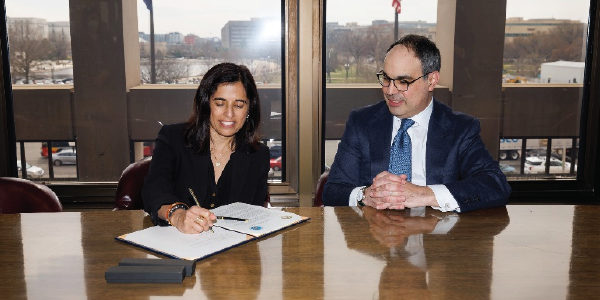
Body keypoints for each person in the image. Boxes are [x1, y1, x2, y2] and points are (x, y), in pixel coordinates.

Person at [323, 35, 511, 213]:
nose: (390, 90)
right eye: (386, 79)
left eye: (403, 81)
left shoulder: (460, 128)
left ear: (431, 80)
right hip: (375, 238)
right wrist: (365, 195)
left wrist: (425, 194)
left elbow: (495, 185)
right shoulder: (362, 122)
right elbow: (332, 191)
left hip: (437, 240)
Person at [142, 62, 270, 234]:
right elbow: (154, 190)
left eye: (239, 105)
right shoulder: (173, 138)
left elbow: (252, 214)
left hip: (232, 253)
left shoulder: (258, 156)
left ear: (249, 110)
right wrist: (178, 215)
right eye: (220, 103)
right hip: (178, 247)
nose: (229, 113)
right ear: (205, 104)